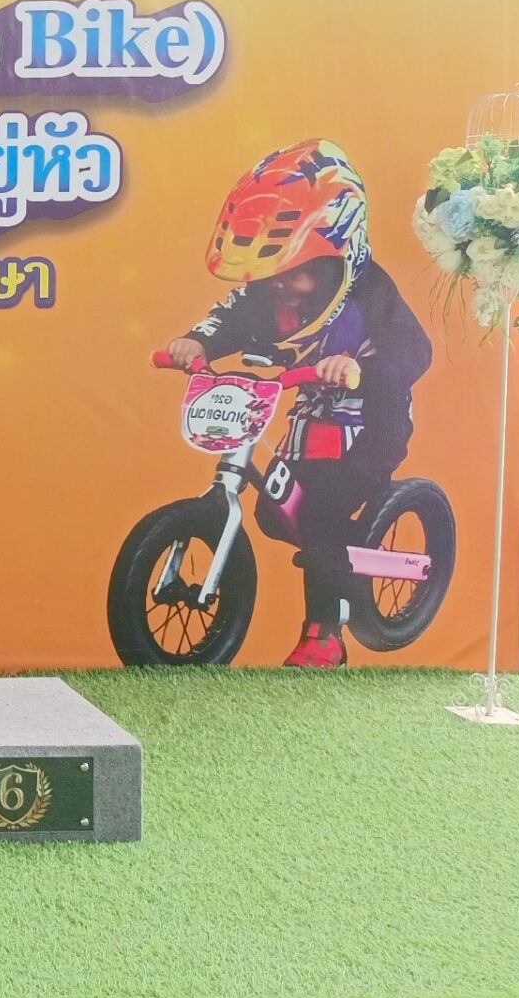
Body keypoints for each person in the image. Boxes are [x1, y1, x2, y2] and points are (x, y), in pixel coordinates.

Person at [155, 139, 433, 668]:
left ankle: (324, 633)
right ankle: (334, 552)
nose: (281, 283)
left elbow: (414, 351)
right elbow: (231, 316)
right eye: (273, 271)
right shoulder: (274, 291)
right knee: (274, 511)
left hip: (370, 423)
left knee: (321, 511)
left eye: (295, 269)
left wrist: (358, 369)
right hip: (312, 415)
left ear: (337, 254)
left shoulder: (371, 293)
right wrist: (197, 342)